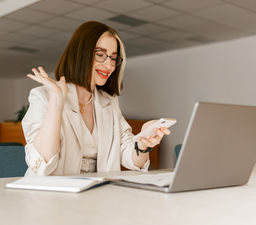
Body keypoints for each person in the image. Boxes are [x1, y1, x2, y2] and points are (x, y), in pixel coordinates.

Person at [22, 21, 170, 176]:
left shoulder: (108, 102)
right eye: (100, 55)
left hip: (95, 194)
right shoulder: (43, 97)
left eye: (113, 58)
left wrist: (143, 141)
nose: (110, 65)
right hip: (49, 195)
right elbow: (41, 165)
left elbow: (129, 156)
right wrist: (56, 104)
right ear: (81, 54)